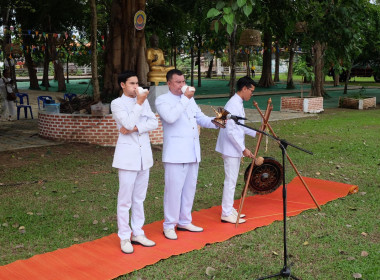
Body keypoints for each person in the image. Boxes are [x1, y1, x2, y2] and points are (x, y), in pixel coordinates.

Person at [155, 69, 219, 240]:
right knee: (173, 191)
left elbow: (201, 118)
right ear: (169, 83)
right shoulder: (162, 100)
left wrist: (218, 122)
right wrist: (185, 98)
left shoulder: (189, 100)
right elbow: (170, 117)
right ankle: (169, 224)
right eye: (178, 82)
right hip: (175, 153)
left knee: (189, 189)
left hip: (192, 151)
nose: (182, 85)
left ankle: (184, 220)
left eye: (183, 81)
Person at [111, 70, 158, 254]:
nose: (136, 87)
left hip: (144, 156)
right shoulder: (117, 104)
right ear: (122, 85)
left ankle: (138, 232)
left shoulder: (143, 101)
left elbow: (153, 123)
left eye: (137, 83)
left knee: (139, 198)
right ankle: (124, 236)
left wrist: (137, 128)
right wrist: (138, 104)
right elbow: (127, 123)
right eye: (132, 83)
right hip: (127, 157)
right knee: (125, 200)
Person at [215, 76, 257, 224]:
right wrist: (243, 149)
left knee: (232, 179)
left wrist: (256, 132)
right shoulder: (233, 104)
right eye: (251, 91)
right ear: (244, 88)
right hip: (230, 147)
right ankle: (226, 213)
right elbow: (230, 131)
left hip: (233, 147)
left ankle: (229, 208)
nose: (252, 94)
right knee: (230, 180)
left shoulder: (237, 102)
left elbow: (240, 126)